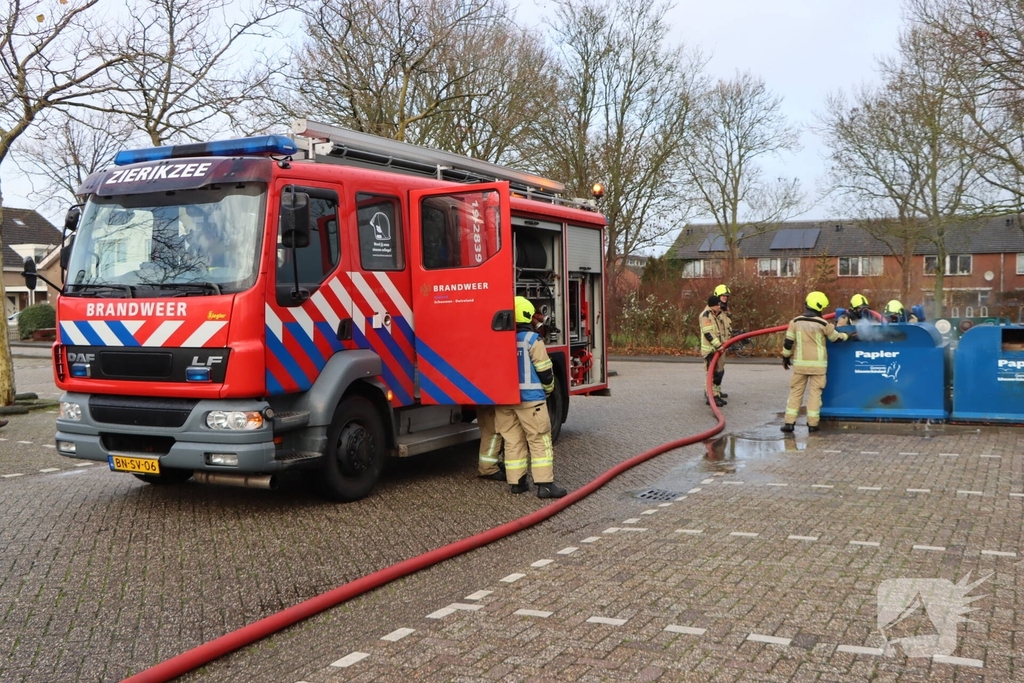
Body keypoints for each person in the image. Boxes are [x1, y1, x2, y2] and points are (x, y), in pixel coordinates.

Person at [495, 296, 567, 498]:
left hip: (504, 400)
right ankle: (545, 486)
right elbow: (545, 371)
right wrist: (549, 389)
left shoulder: (497, 339)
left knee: (512, 441)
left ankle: (517, 483)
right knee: (539, 440)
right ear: (527, 315)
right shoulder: (532, 340)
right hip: (531, 400)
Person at [780, 291, 854, 433]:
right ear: (819, 307)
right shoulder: (824, 324)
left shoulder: (795, 322)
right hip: (819, 367)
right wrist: (848, 335)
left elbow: (788, 342)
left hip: (800, 366)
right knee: (815, 395)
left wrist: (785, 357)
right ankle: (813, 425)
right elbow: (836, 338)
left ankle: (789, 424)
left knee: (795, 393)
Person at [699, 295, 728, 406]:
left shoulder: (717, 314)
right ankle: (710, 396)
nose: (720, 306)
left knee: (719, 373)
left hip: (718, 350)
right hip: (710, 350)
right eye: (718, 305)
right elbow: (708, 333)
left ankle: (716, 394)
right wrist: (719, 345)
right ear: (713, 305)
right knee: (711, 373)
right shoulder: (705, 316)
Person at [713, 284, 733, 398]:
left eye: (727, 296)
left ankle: (717, 391)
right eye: (723, 296)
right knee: (713, 372)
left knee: (720, 371)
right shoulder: (714, 310)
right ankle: (711, 394)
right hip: (715, 346)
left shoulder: (724, 310)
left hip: (723, 345)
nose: (725, 298)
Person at [476, 405, 505, 481]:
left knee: (487, 428)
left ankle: (492, 464)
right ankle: (488, 469)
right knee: (493, 433)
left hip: (485, 400)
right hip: (492, 401)